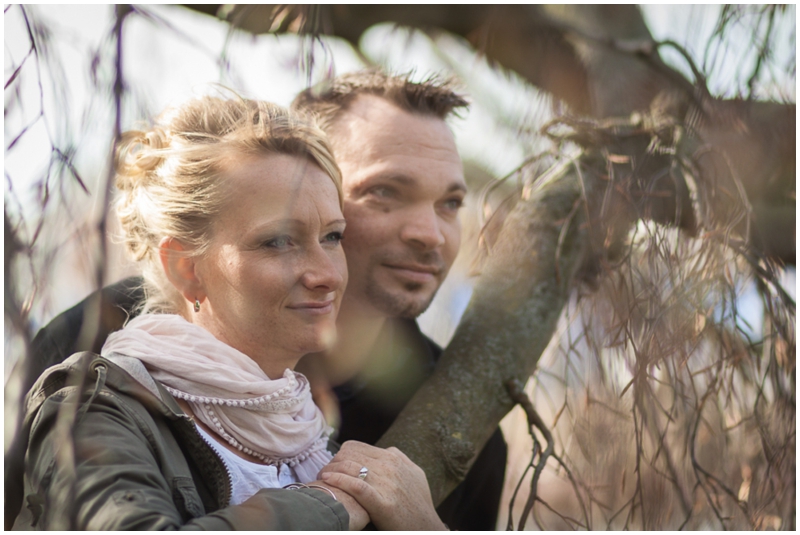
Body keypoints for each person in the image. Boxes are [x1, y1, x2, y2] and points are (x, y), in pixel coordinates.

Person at [7, 71, 507, 530]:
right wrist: (329, 505)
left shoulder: (317, 427)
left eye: (451, 203)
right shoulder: (93, 365)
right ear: (185, 267)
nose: (429, 234)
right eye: (384, 192)